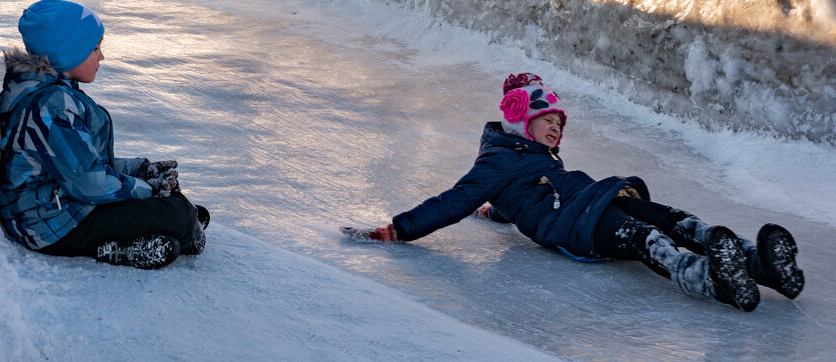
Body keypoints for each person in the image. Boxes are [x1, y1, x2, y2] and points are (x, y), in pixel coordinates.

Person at [341, 73, 804, 312]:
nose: (557, 127)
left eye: (560, 122)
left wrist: (497, 212)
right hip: (572, 224)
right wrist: (398, 228)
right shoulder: (496, 160)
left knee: (665, 216)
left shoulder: (532, 159)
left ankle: (758, 263)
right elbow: (455, 199)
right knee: (645, 238)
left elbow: (515, 197)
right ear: (523, 121)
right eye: (549, 120)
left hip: (592, 198)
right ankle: (713, 281)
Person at [0, 0, 208, 269]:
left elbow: (84, 163)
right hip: (50, 226)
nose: (102, 57)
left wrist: (140, 170)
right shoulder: (50, 107)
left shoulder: (48, 93)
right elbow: (88, 182)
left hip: (56, 207)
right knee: (178, 215)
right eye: (95, 48)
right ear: (67, 52)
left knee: (166, 195)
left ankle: (169, 230)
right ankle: (125, 246)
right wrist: (143, 188)